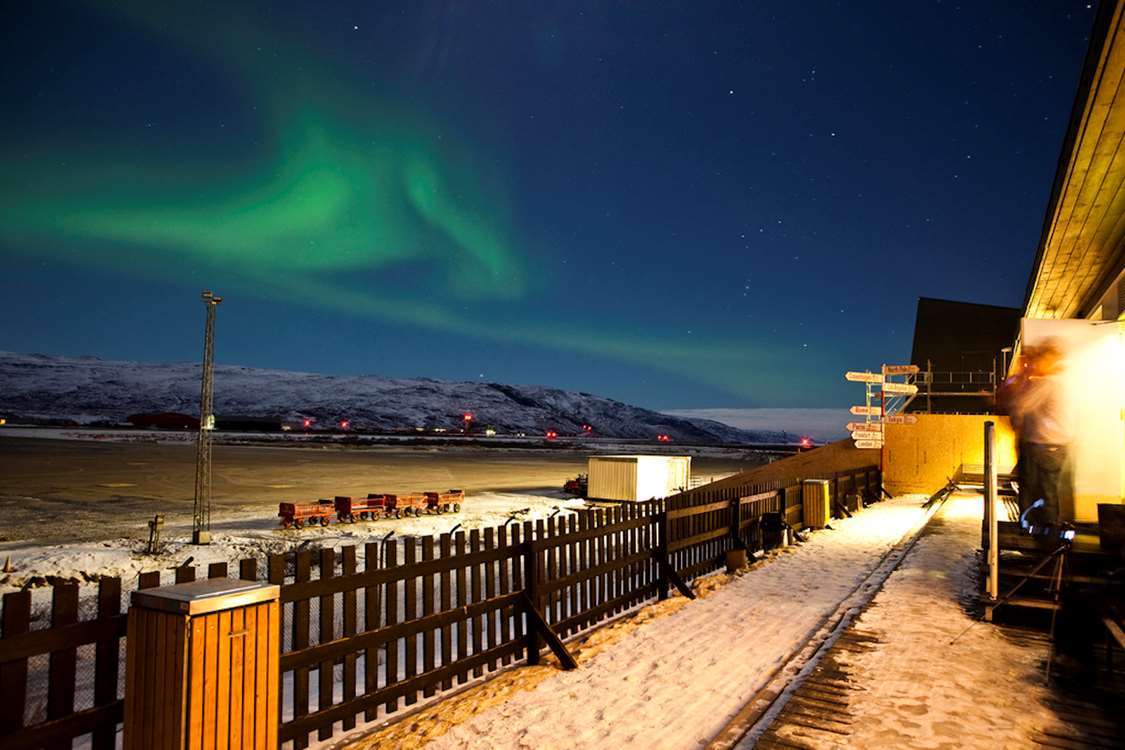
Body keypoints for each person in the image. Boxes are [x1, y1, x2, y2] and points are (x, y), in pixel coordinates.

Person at [1005, 340, 1074, 530]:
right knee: (1049, 491)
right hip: (1059, 445)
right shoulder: (1061, 383)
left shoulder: (1046, 384)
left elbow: (1021, 405)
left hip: (1042, 444)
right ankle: (1049, 531)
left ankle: (1035, 532)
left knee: (1033, 489)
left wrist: (1015, 401)